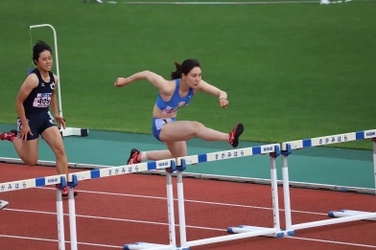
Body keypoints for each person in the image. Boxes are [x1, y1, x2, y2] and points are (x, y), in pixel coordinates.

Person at [114, 59, 244, 165]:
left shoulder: (196, 85)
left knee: (181, 159)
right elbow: (147, 73)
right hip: (160, 126)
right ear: (183, 76)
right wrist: (125, 81)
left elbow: (221, 92)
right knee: (196, 127)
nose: (197, 79)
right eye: (194, 76)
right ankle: (229, 138)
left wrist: (222, 98)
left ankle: (139, 156)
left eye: (199, 75)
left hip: (172, 123)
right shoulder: (168, 88)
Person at [0, 40, 77, 196]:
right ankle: (13, 136)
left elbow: (52, 94)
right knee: (31, 161)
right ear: (36, 61)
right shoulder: (33, 79)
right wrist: (25, 125)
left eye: (50, 58)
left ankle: (63, 184)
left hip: (44, 116)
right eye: (44, 59)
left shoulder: (54, 78)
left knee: (60, 149)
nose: (48, 62)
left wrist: (55, 114)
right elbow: (19, 102)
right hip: (29, 119)